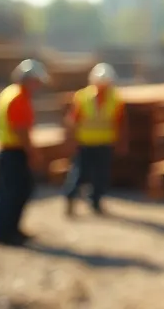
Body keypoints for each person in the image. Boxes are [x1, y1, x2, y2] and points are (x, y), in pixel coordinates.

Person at [0, 58, 50, 246]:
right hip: (14, 153)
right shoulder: (19, 98)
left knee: (14, 192)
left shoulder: (9, 93)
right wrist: (34, 154)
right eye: (37, 81)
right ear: (30, 79)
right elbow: (22, 131)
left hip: (8, 151)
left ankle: (11, 230)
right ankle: (6, 234)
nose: (39, 86)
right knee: (14, 193)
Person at [63, 63, 123, 217]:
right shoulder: (82, 97)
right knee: (79, 173)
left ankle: (96, 202)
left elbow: (119, 121)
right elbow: (73, 120)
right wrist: (71, 140)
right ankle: (70, 199)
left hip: (104, 143)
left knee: (101, 175)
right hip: (85, 143)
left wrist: (121, 141)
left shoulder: (115, 98)